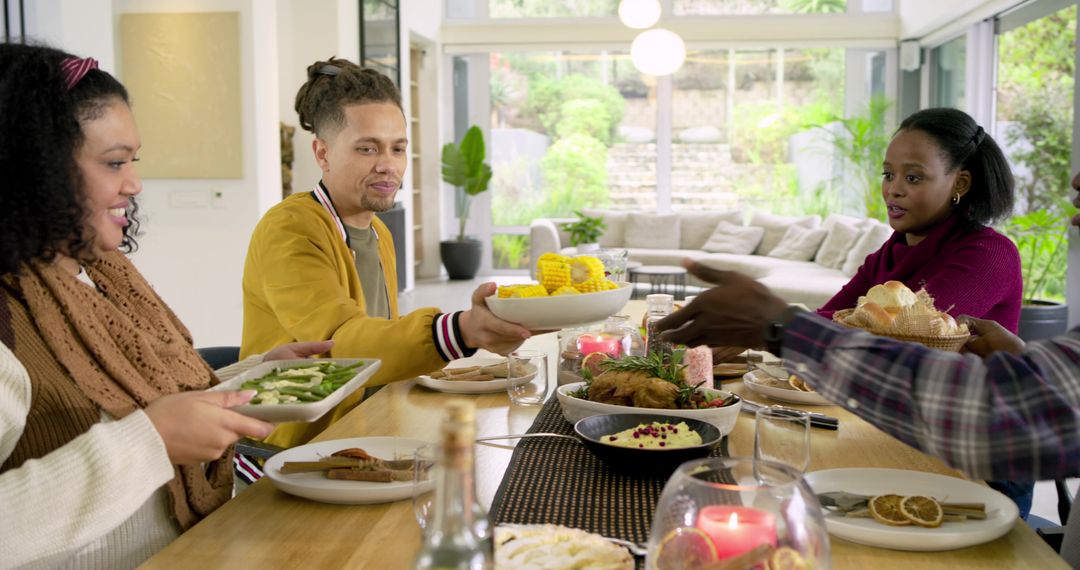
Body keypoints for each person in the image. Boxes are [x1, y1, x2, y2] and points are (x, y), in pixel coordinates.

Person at [0, 44, 333, 567]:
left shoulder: (98, 277)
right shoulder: (9, 325)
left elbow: (148, 400)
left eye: (134, 161)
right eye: (113, 163)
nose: (133, 184)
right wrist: (149, 444)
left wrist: (248, 379)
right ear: (30, 171)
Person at [240, 57, 531, 457]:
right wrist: (460, 330)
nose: (388, 166)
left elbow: (383, 341)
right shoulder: (289, 229)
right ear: (322, 154)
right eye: (367, 148)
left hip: (368, 424)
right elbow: (340, 345)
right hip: (295, 450)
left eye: (398, 149)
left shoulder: (378, 231)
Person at [818, 107, 1022, 332]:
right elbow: (828, 318)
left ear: (960, 184)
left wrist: (788, 321)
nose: (893, 190)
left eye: (913, 178)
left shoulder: (990, 255)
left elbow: (906, 333)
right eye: (888, 175)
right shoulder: (887, 256)